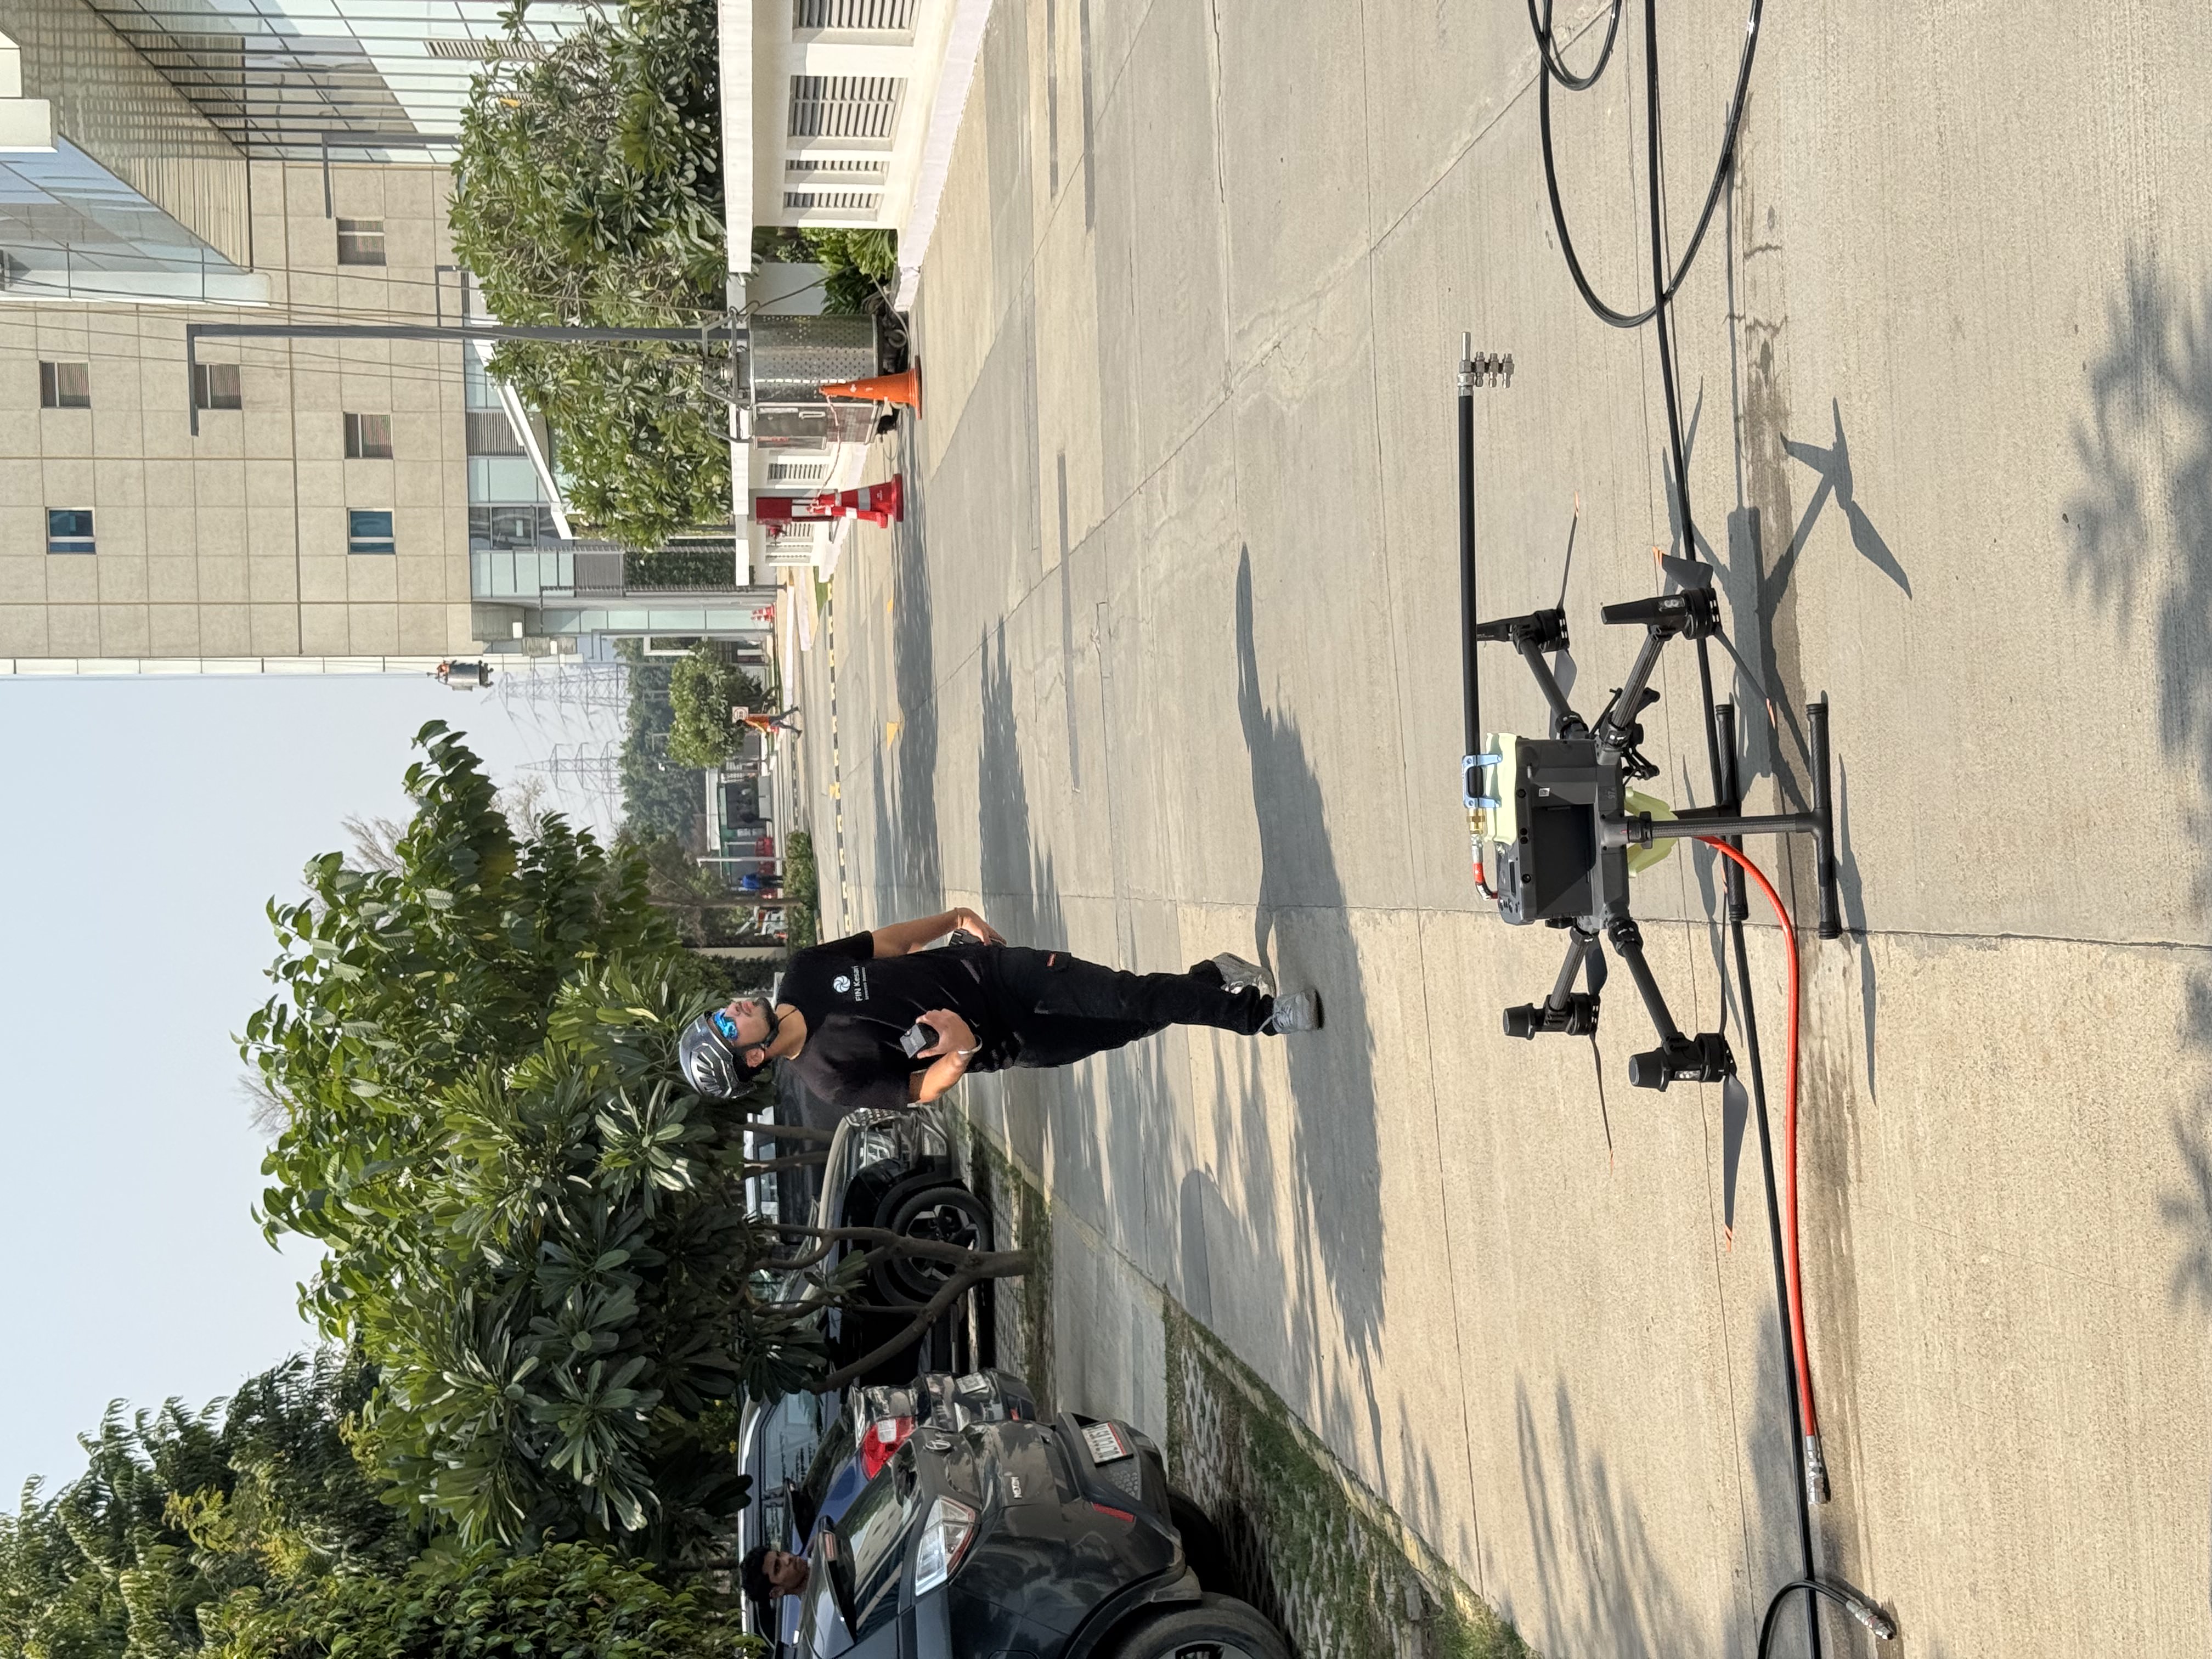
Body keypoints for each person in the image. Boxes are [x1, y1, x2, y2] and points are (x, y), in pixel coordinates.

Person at [677, 908, 1321, 1113]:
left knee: (1126, 994)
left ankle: (1260, 1016)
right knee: (1128, 1025)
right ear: (754, 1058)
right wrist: (958, 1049)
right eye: (729, 1027)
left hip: (996, 973)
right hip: (1007, 1044)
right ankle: (1211, 978)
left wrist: (956, 917)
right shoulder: (828, 1077)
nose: (734, 1009)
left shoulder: (806, 973)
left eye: (721, 1012)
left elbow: (891, 944)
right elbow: (917, 1089)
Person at [740, 1543, 809, 1609]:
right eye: (778, 1568)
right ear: (777, 1592)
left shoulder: (816, 1550)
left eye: (780, 1554)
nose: (787, 1558)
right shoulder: (813, 1611)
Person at [736, 705, 802, 737]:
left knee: (782, 717)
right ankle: (797, 731)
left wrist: (764, 731)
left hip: (768, 721)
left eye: (741, 726)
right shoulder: (748, 719)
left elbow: (758, 724)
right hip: (768, 721)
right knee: (783, 726)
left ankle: (795, 709)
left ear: (741, 723)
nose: (743, 726)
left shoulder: (748, 721)